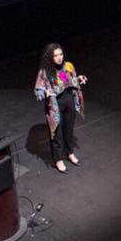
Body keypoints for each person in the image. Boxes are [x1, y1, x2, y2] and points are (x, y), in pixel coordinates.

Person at [34, 42, 86, 173]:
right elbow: (38, 91)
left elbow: (68, 82)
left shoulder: (67, 66)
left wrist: (78, 78)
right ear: (50, 57)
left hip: (69, 102)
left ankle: (69, 152)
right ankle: (58, 160)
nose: (59, 57)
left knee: (68, 130)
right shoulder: (45, 72)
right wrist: (44, 93)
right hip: (55, 106)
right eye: (55, 55)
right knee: (56, 134)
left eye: (60, 54)